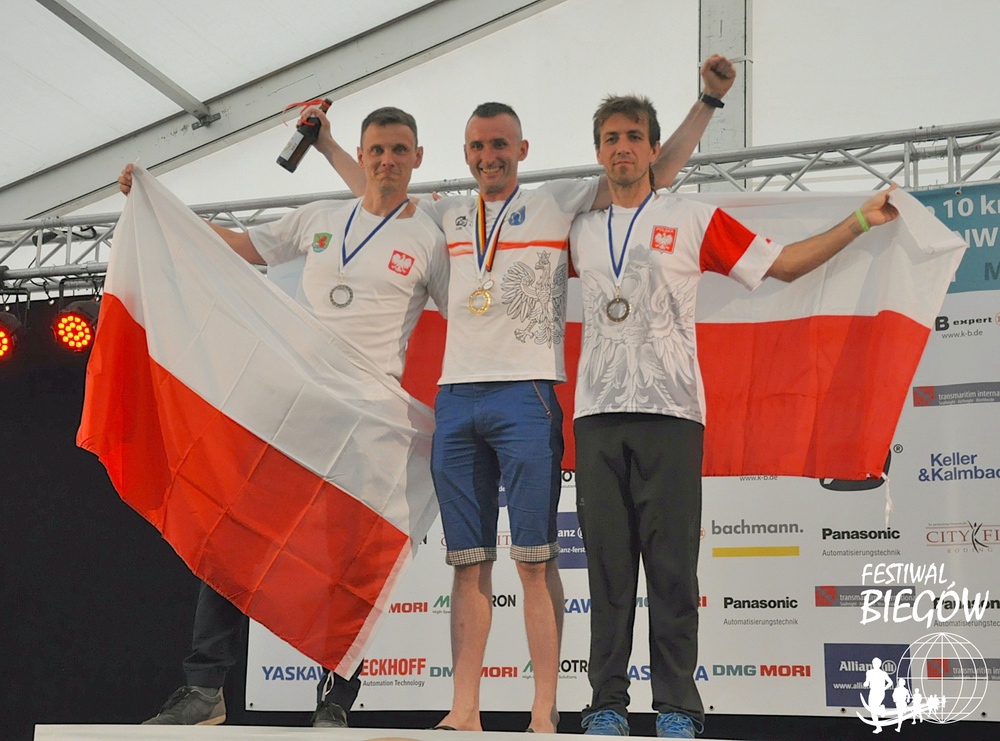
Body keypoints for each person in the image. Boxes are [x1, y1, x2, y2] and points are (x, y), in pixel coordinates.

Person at [312, 55, 736, 733]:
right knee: (468, 564)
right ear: (465, 154)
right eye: (478, 146)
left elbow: (654, 170)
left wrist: (708, 103)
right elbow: (378, 186)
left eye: (501, 145)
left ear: (522, 149)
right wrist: (329, 145)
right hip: (457, 400)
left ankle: (544, 713)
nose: (490, 156)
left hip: (527, 397)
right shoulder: (445, 216)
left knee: (534, 562)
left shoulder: (556, 202)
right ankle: (465, 710)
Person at [569, 95, 898, 738]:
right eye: (610, 137)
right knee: (607, 572)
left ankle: (677, 709)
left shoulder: (692, 217)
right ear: (598, 150)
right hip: (597, 415)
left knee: (671, 571)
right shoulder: (578, 224)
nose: (621, 147)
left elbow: (783, 266)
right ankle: (605, 705)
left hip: (672, 416)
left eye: (633, 136)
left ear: (654, 149)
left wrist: (859, 220)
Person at [118, 105, 449, 727]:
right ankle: (204, 689)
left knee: (348, 562)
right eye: (377, 150)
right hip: (294, 408)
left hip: (366, 423)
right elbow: (243, 248)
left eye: (400, 150)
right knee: (233, 535)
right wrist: (163, 207)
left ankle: (336, 699)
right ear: (362, 153)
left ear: (418, 158)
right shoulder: (319, 218)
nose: (387, 161)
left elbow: (465, 318)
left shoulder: (429, 240)